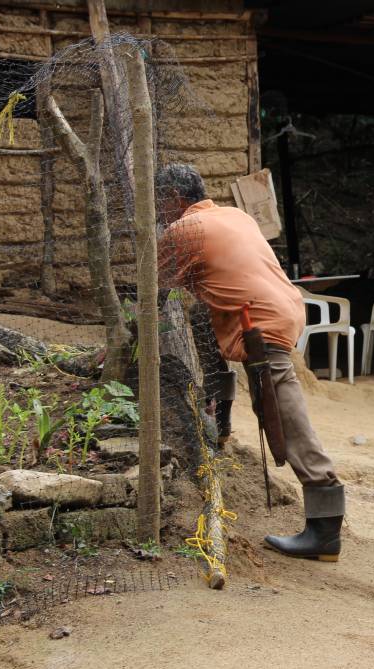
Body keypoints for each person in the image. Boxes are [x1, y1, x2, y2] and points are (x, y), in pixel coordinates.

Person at [155, 163, 344, 562]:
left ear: (173, 197)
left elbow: (153, 291)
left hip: (261, 324)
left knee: (281, 415)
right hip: (284, 308)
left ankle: (325, 531)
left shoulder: (184, 230)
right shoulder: (233, 215)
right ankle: (219, 419)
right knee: (200, 316)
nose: (158, 210)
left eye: (160, 201)